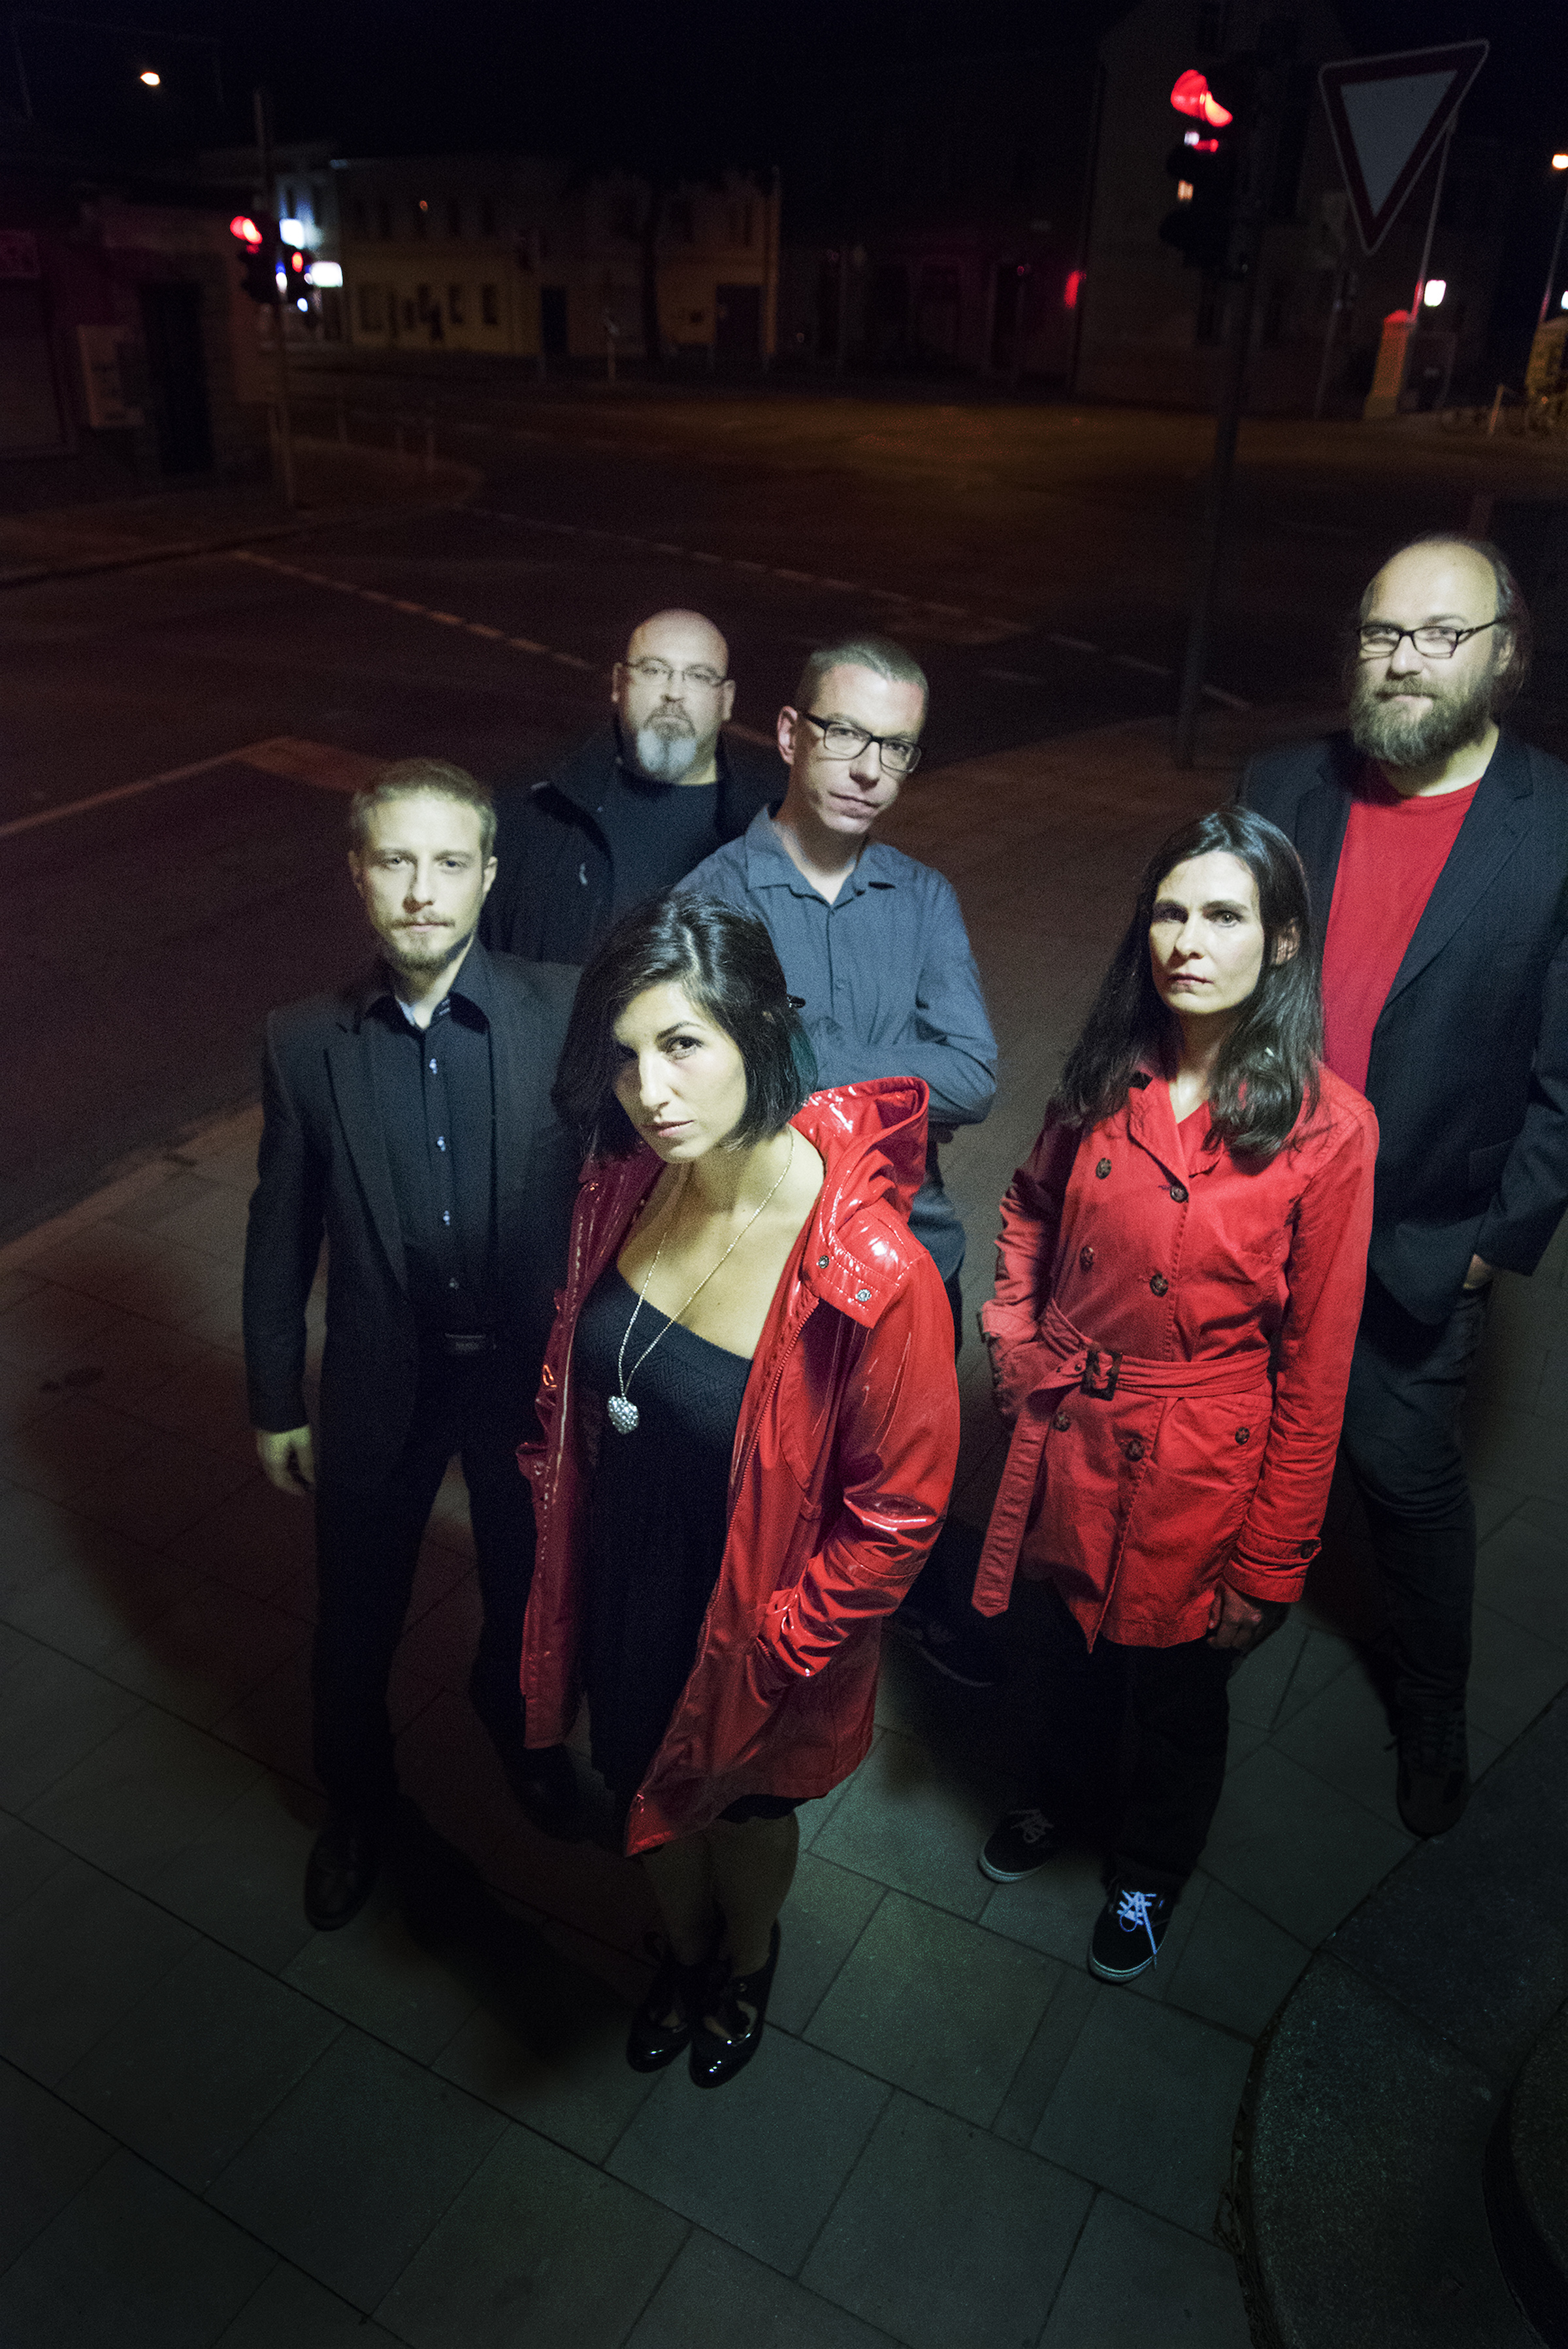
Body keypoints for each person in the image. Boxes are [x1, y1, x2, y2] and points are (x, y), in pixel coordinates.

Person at [519, 895, 960, 2085]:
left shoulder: (873, 1269)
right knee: (637, 1779)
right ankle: (679, 1949)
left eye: (682, 1044)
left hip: (758, 1610)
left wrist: (777, 1647)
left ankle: (746, 1961)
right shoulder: (626, 1182)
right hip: (625, 1573)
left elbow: (898, 1514)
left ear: (760, 1029)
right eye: (625, 1054)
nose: (648, 1089)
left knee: (745, 1812)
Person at [970, 809, 1377, 1982]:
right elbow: (1029, 1210)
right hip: (1074, 1439)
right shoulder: (1108, 1074)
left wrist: (1272, 1559)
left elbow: (1316, 1369)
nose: (1188, 941)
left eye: (1224, 916)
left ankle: (1151, 1867)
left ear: (1283, 941)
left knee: (1179, 1698)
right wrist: (1016, 1346)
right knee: (1066, 1654)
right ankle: (1056, 1798)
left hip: (1204, 1466)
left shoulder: (1329, 1130)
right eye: (1170, 912)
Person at [1240, 534, 1568, 1837]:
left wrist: (1495, 1239)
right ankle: (1227, 1615)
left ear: (1506, 653)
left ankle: (1432, 1706)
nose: (1406, 659)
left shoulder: (1555, 828)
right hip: (1257, 1212)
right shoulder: (1280, 784)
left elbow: (1566, 1076)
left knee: (1403, 1478)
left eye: (1443, 635)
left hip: (1420, 1236)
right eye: (1385, 632)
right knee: (1243, 1442)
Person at [243, 759, 582, 1931]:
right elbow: (280, 1229)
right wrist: (275, 1395)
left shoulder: (563, 1011)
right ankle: (357, 1801)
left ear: (488, 874)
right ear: (359, 874)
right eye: (396, 860)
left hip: (522, 1379)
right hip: (383, 1379)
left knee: (531, 1585)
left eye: (449, 862)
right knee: (356, 1617)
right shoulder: (304, 1042)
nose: (422, 889)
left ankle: (521, 1730)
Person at [681, 633, 998, 1684]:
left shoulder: (924, 896)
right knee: (772, 1488)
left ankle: (908, 1611)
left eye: (896, 747)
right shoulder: (712, 900)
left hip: (914, 1253)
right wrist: (888, 1071)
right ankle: (768, 1657)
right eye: (847, 734)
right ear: (789, 732)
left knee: (901, 1476)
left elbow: (974, 1075)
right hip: (768, 1262)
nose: (870, 769)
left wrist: (796, 1049)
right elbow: (713, 1092)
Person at [480, 608, 777, 963]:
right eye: (653, 670)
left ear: (726, 700)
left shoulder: (771, 825)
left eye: (699, 676)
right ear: (619, 684)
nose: (674, 693)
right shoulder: (539, 805)